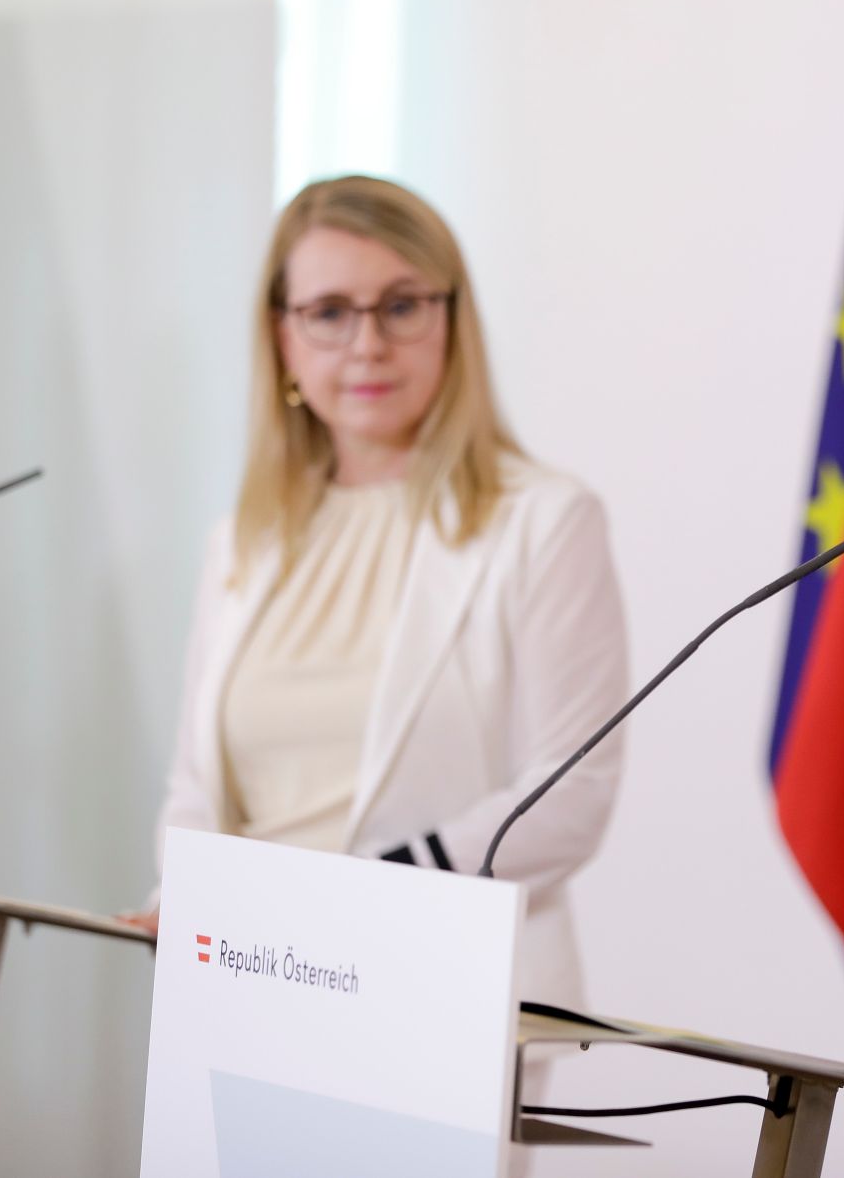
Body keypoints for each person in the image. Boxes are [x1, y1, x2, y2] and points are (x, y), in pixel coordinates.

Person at [135, 175, 628, 1124]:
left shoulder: (545, 521)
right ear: (281, 336)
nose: (366, 344)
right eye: (329, 312)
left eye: (401, 306)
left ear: (452, 321)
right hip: (248, 995)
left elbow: (570, 795)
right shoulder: (244, 540)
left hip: (442, 1002)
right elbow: (195, 782)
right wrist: (188, 891)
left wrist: (353, 906)